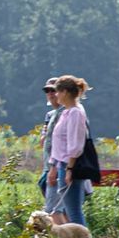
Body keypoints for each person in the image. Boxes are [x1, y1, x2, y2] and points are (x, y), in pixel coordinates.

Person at [45, 75, 93, 228]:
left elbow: (75, 144)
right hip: (62, 165)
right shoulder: (66, 112)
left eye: (57, 91)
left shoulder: (75, 113)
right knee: (68, 209)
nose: (55, 95)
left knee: (73, 210)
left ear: (65, 92)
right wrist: (53, 165)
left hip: (70, 165)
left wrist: (70, 169)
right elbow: (58, 143)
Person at [38, 76, 63, 207]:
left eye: (53, 90)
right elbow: (44, 137)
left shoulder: (65, 113)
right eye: (47, 90)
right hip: (48, 163)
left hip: (59, 165)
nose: (50, 93)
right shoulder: (49, 115)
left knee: (55, 208)